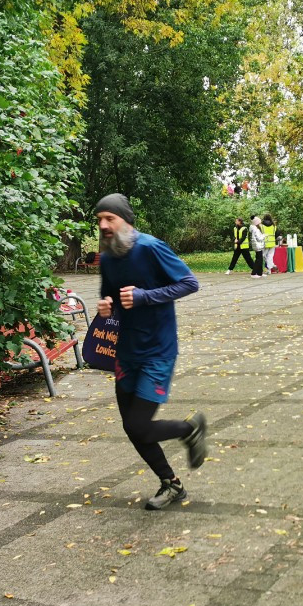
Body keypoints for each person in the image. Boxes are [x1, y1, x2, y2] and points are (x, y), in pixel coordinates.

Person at [95, 193, 208, 510]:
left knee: (139, 425)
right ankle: (171, 484)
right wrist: (105, 306)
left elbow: (189, 282)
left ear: (125, 221)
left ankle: (190, 428)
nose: (103, 225)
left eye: (110, 219)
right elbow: (111, 298)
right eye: (99, 220)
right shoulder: (106, 258)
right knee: (132, 427)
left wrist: (145, 297)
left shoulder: (150, 247)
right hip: (126, 352)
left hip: (158, 351)